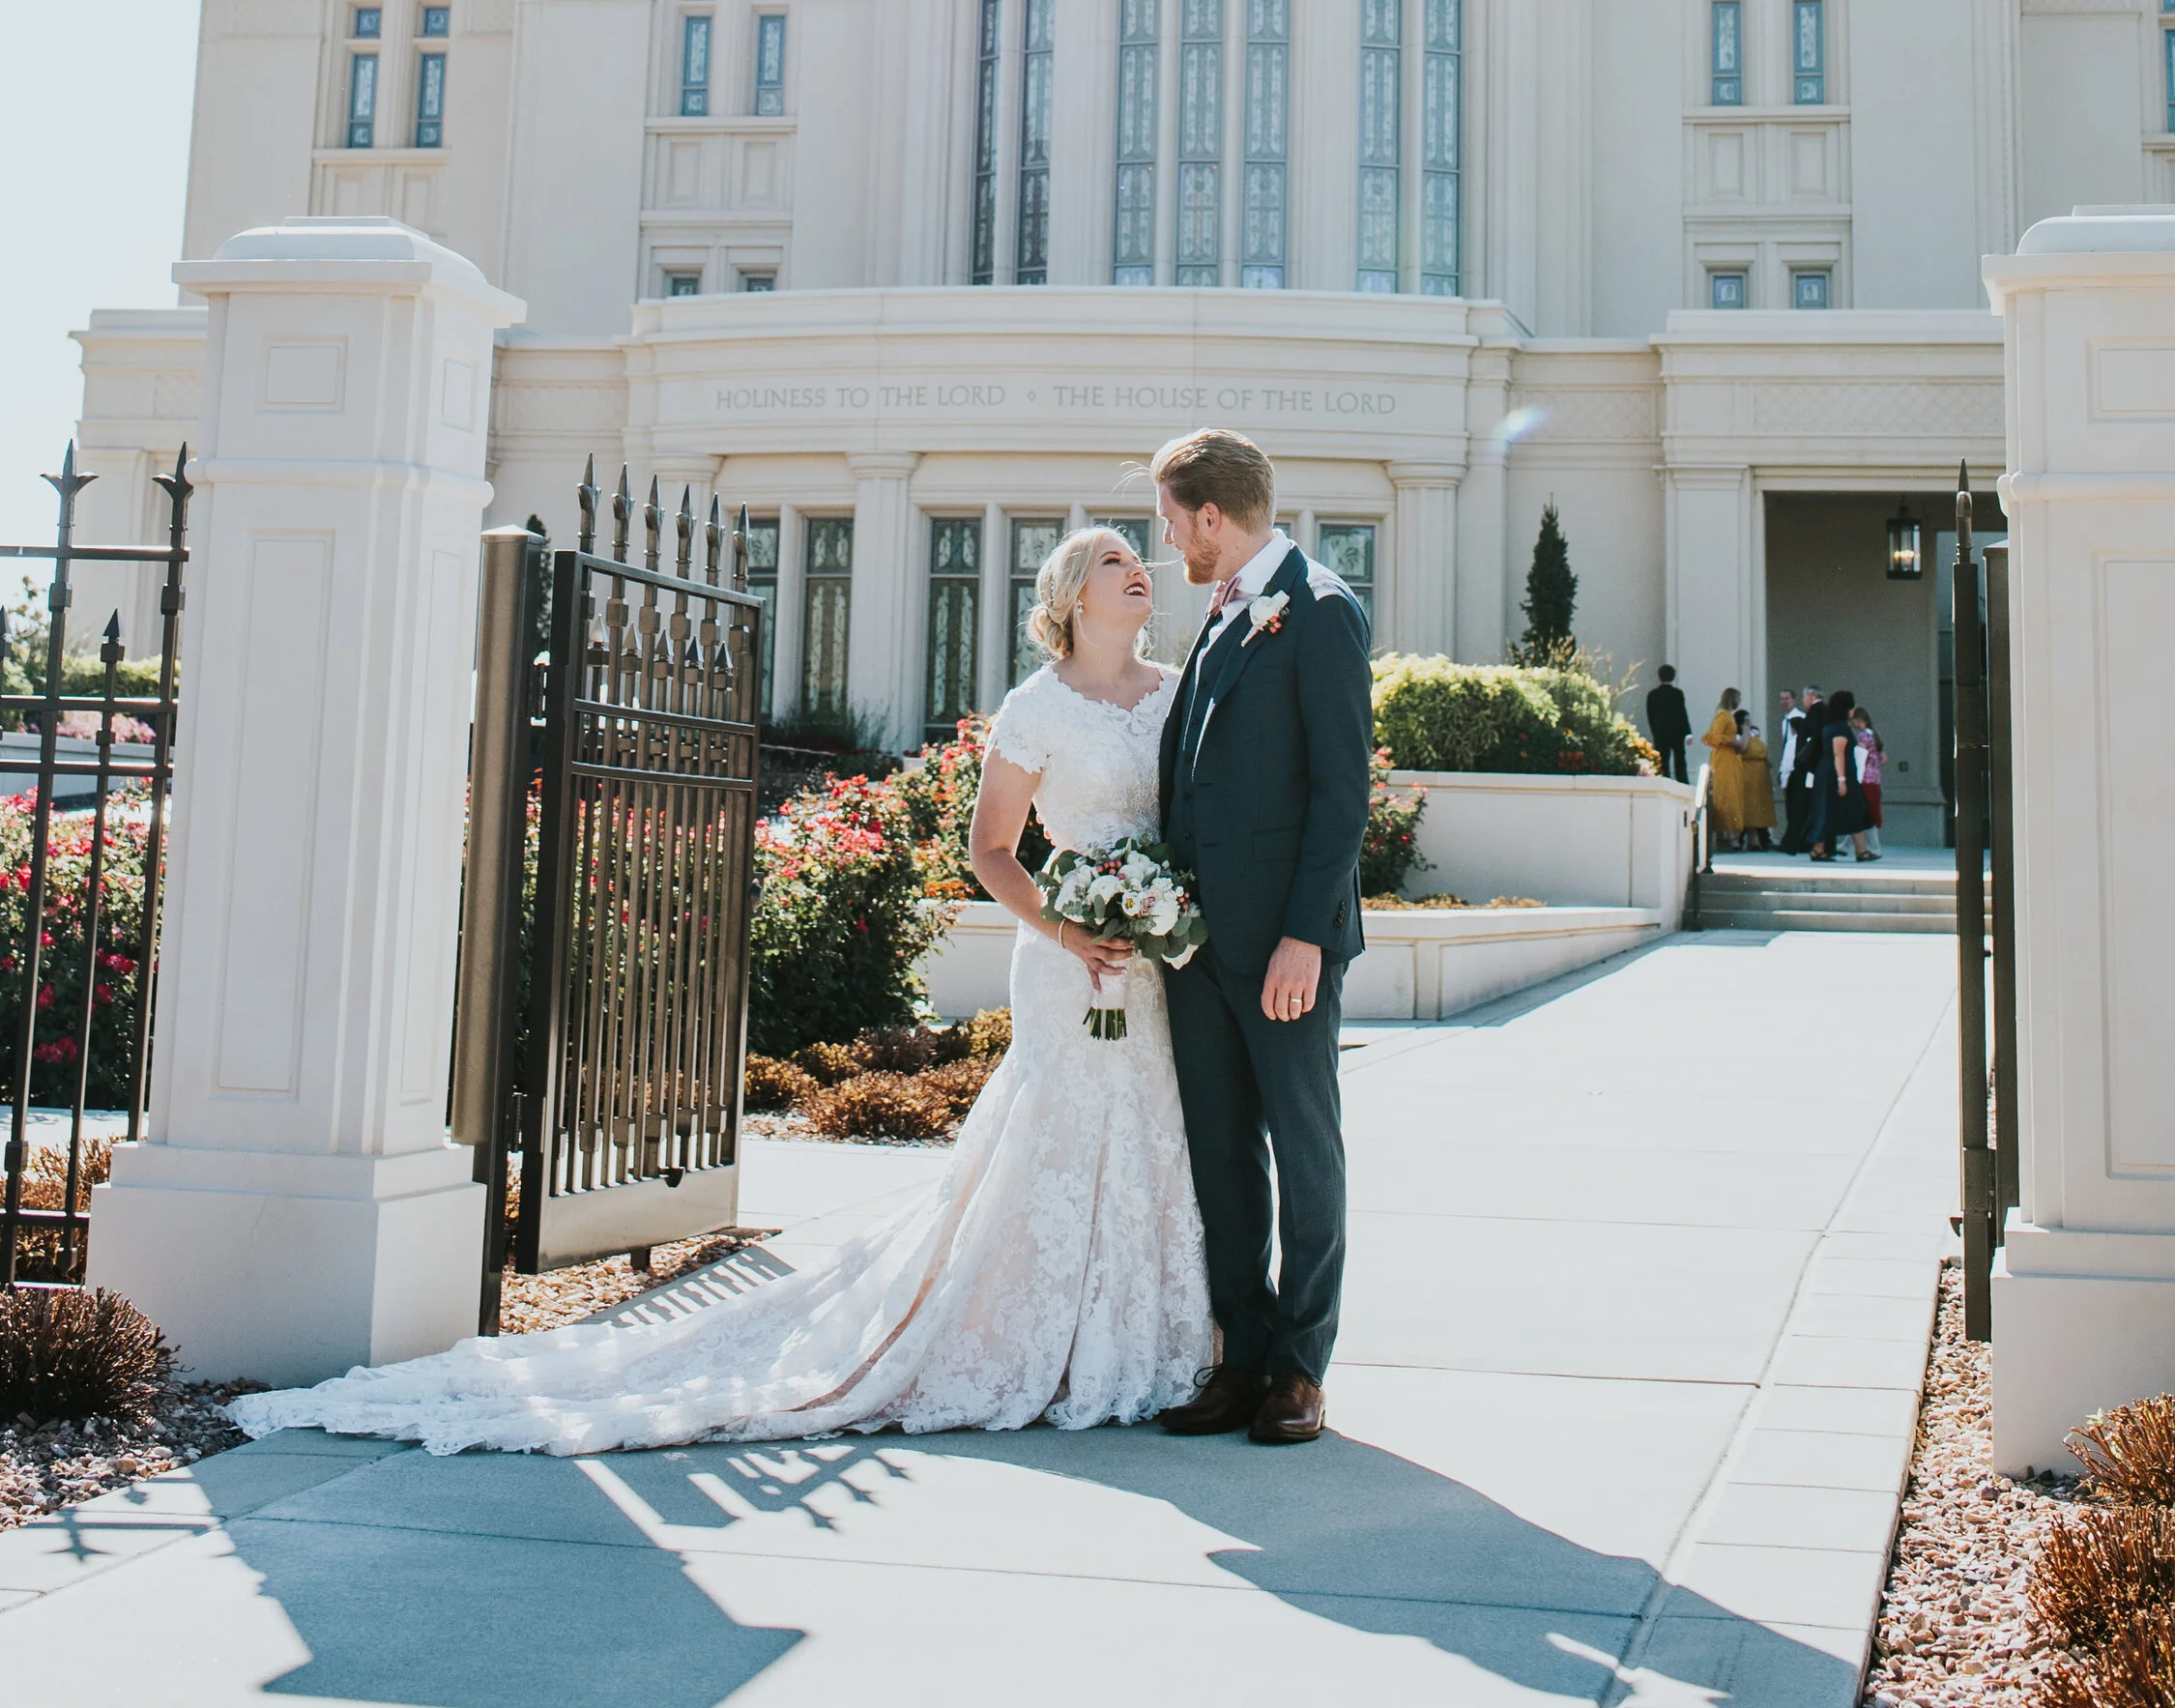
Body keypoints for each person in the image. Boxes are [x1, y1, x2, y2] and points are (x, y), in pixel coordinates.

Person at [228, 527, 1213, 1454]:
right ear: (1070, 594)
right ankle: (1028, 1337)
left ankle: (1141, 1337)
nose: (1141, 570)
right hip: (1064, 957)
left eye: (1142, 559)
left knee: (1152, 1130)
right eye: (1117, 558)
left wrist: (1152, 911)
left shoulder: (1176, 694)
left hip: (1151, 957)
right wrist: (1064, 924)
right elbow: (989, 849)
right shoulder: (1037, 706)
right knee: (1061, 1132)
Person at [1152, 427, 1374, 1452]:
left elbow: (1340, 794)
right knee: (1223, 1158)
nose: (1167, 540)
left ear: (1209, 517)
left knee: (1303, 1148)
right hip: (1196, 945)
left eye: (1171, 519)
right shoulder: (1221, 613)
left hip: (1283, 947)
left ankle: (1298, 1365)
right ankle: (1239, 1356)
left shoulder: (1320, 610)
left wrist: (1304, 939)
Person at [1809, 686, 1877, 863]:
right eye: (1851, 707)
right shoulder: (1839, 728)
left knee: (1834, 810)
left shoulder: (1830, 726)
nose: (1853, 711)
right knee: (1854, 809)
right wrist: (1842, 780)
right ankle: (1859, 851)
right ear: (1846, 708)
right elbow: (1838, 753)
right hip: (1837, 775)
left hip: (1829, 774)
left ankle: (1823, 849)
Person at [1778, 685, 1824, 853]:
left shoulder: (1808, 716)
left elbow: (1793, 755)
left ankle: (1795, 841)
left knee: (1799, 809)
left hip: (1802, 770)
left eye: (1786, 699)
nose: (1783, 702)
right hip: (1804, 769)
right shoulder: (1789, 720)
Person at [1704, 694, 1747, 848]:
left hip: (1729, 758)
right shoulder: (1723, 716)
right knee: (1726, 794)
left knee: (1731, 794)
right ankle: (1728, 834)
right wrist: (1732, 741)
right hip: (1723, 758)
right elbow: (1714, 737)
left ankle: (1730, 834)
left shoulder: (1727, 715)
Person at [1735, 709, 1778, 847]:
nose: (1749, 723)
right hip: (1747, 774)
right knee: (1749, 807)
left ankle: (1760, 839)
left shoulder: (1755, 735)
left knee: (1760, 807)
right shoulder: (1738, 736)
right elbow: (1742, 748)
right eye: (1746, 721)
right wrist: (1746, 732)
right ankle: (1744, 839)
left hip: (1760, 775)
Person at [1645, 662, 1692, 781]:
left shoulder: (1652, 695)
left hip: (1660, 733)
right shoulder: (1677, 694)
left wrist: (1655, 731)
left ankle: (1663, 782)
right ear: (1673, 677)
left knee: (1662, 761)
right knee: (1680, 761)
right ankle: (1682, 783)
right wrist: (1688, 732)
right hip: (1677, 733)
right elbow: (1682, 714)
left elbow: (1650, 715)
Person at [1851, 705, 1886, 855]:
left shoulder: (1861, 737)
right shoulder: (1874, 736)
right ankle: (1846, 846)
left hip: (1864, 779)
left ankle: (1875, 847)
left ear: (1859, 720)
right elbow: (1881, 758)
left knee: (1863, 814)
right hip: (1875, 779)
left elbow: (1859, 756)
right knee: (1865, 813)